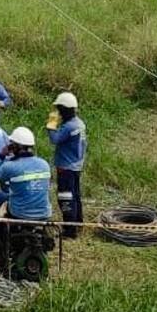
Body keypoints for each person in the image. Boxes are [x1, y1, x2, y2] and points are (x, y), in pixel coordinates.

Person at [0, 127, 52, 222]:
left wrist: (1, 154)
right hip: (44, 213)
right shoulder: (44, 164)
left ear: (14, 147)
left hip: (19, 213)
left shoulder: (10, 166)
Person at [47, 91, 87, 239]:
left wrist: (51, 124)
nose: (58, 112)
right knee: (75, 195)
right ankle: (78, 223)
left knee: (65, 197)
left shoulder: (69, 127)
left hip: (66, 167)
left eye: (59, 109)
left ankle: (70, 231)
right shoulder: (79, 123)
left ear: (65, 109)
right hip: (76, 166)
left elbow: (54, 139)